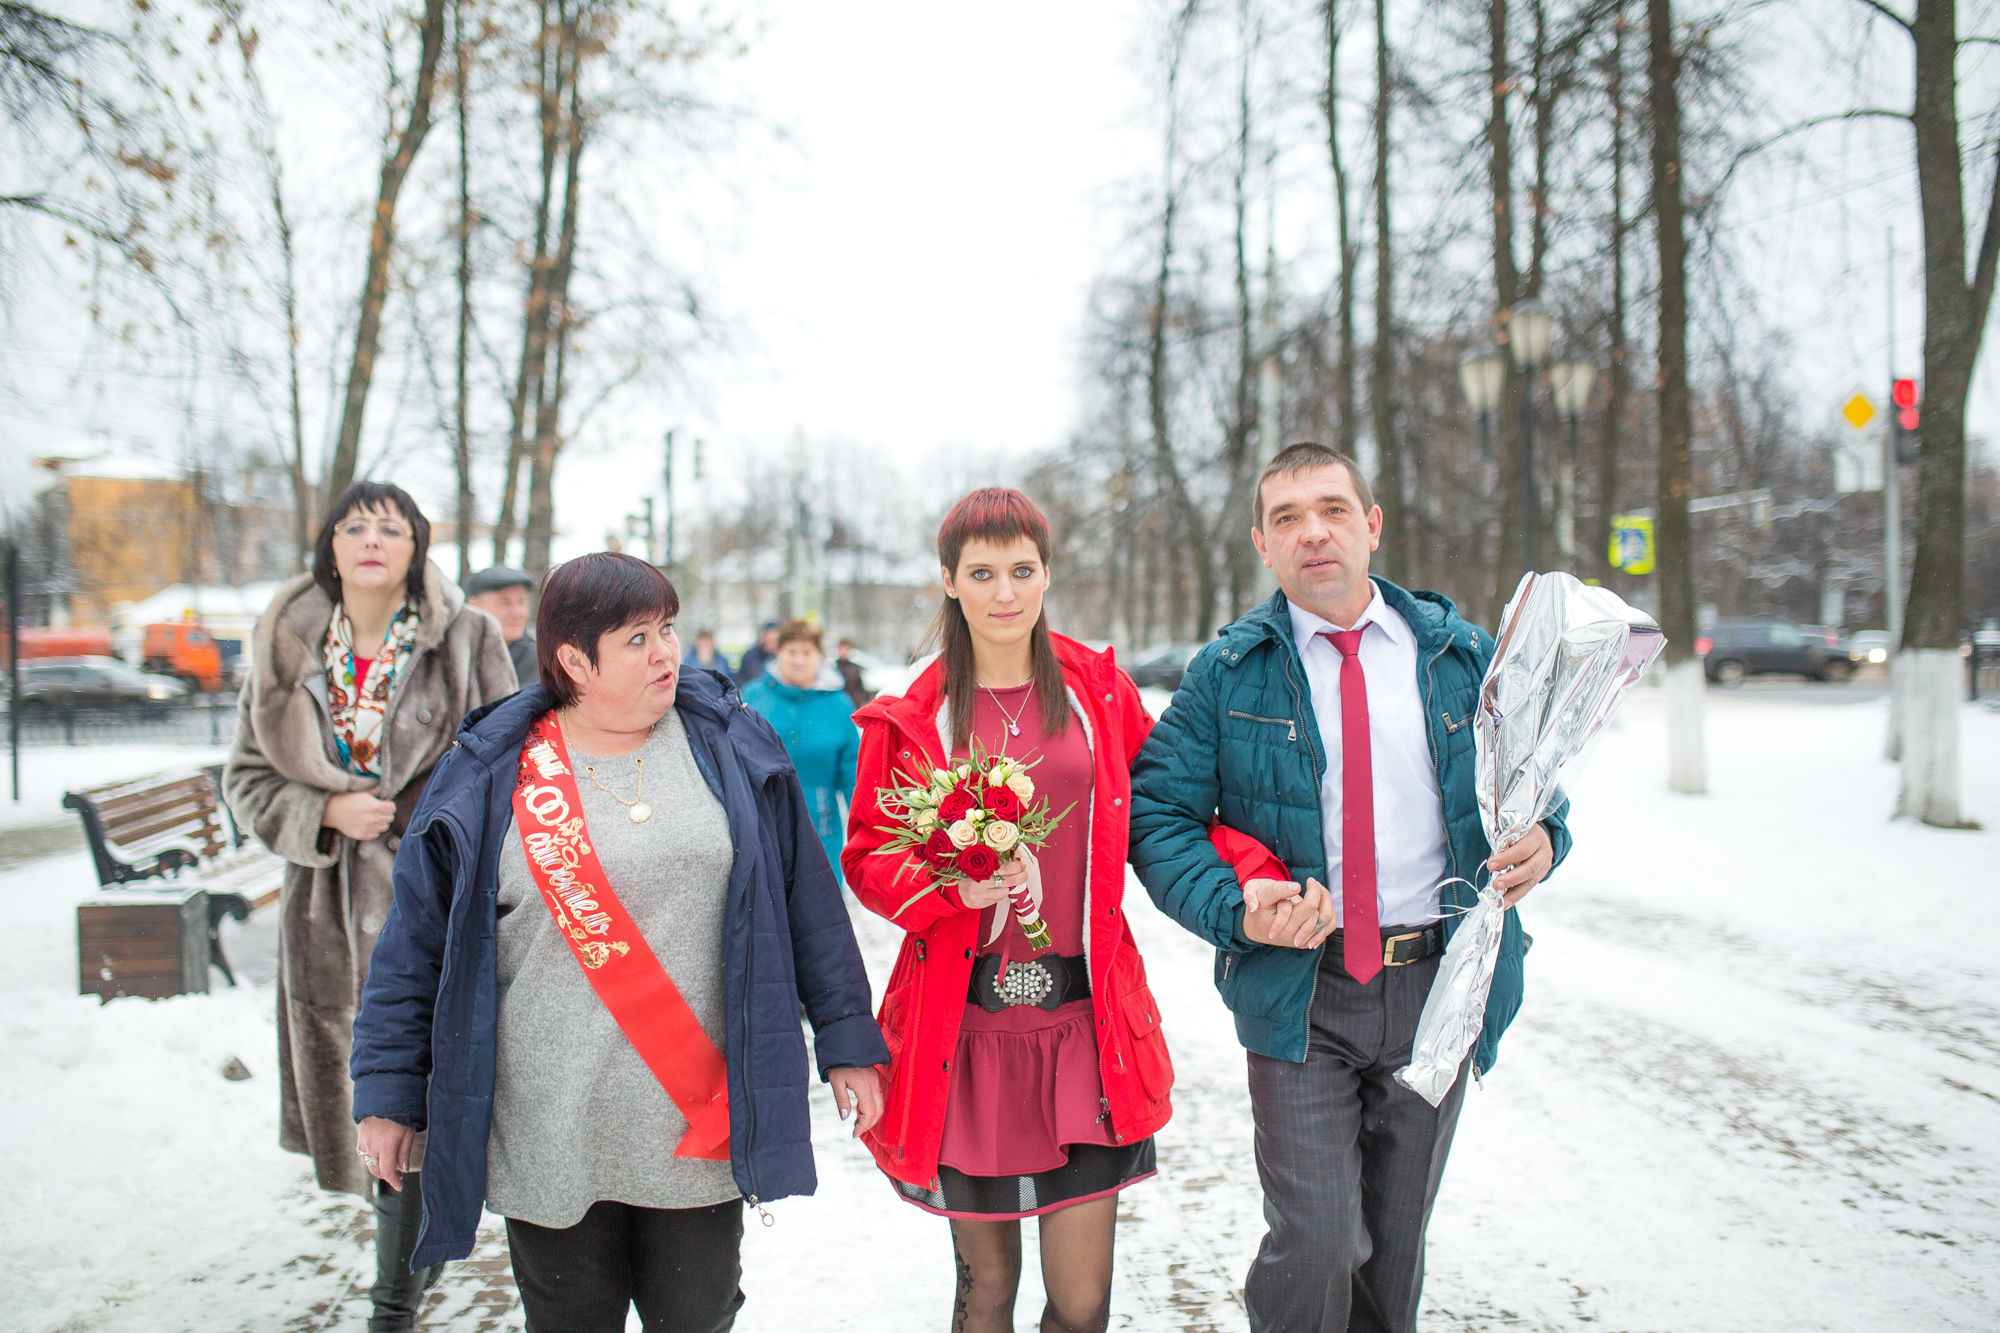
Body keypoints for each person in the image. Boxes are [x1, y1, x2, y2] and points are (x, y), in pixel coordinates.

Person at [350, 552, 888, 1333]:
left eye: (666, 628)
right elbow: (413, 949)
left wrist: (846, 1040)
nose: (666, 651)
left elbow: (807, 902)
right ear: (575, 660)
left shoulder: (730, 744)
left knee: (697, 1318)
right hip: (549, 1132)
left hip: (697, 1128)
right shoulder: (489, 772)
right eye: (637, 638)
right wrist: (388, 1092)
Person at [1128, 442, 1573, 1333]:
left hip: (1438, 986)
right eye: (1287, 517)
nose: (1313, 532)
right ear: (1263, 545)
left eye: (1332, 509)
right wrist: (1235, 907)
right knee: (1320, 1240)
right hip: (1302, 993)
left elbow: (1536, 786)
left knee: (1395, 1249)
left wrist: (1547, 839)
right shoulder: (1228, 672)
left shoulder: (1461, 655)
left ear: (1371, 525)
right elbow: (1157, 814)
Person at [843, 488, 1179, 1333]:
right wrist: (950, 888)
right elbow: (868, 855)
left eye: (1022, 570)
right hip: (967, 1031)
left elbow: (1173, 809)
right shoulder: (914, 716)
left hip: (1084, 1025)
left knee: (1083, 1301)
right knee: (987, 1288)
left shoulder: (1099, 693)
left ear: (1047, 574)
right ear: (948, 580)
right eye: (982, 572)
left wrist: (1248, 877)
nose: (1004, 592)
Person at [224, 482, 516, 1333]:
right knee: (377, 1105)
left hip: (437, 900)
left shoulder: (469, 635)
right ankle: (407, 1276)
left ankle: (392, 1303)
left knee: (421, 1096)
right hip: (325, 908)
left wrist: (430, 826)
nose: (372, 539)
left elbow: (509, 762)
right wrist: (321, 810)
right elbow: (247, 776)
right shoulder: (285, 643)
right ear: (331, 545)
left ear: (418, 545)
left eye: (392, 526)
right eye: (354, 525)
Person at [741, 620, 859, 888]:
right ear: (778, 652)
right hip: (762, 824)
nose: (798, 660)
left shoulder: (839, 704)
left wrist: (867, 832)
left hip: (821, 826)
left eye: (806, 652)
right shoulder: (754, 697)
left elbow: (853, 775)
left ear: (819, 656)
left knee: (821, 900)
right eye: (791, 651)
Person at [463, 565, 536, 688]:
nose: (517, 612)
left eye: (522, 602)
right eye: (504, 603)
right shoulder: (453, 658)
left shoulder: (544, 666)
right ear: (473, 606)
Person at [733, 621, 780, 686]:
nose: (772, 642)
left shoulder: (782, 657)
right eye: (770, 637)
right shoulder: (750, 656)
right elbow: (740, 678)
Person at [833, 637, 874, 708]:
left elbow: (860, 688)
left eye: (846, 649)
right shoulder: (834, 667)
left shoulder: (854, 668)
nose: (844, 651)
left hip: (852, 703)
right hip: (837, 704)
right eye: (842, 648)